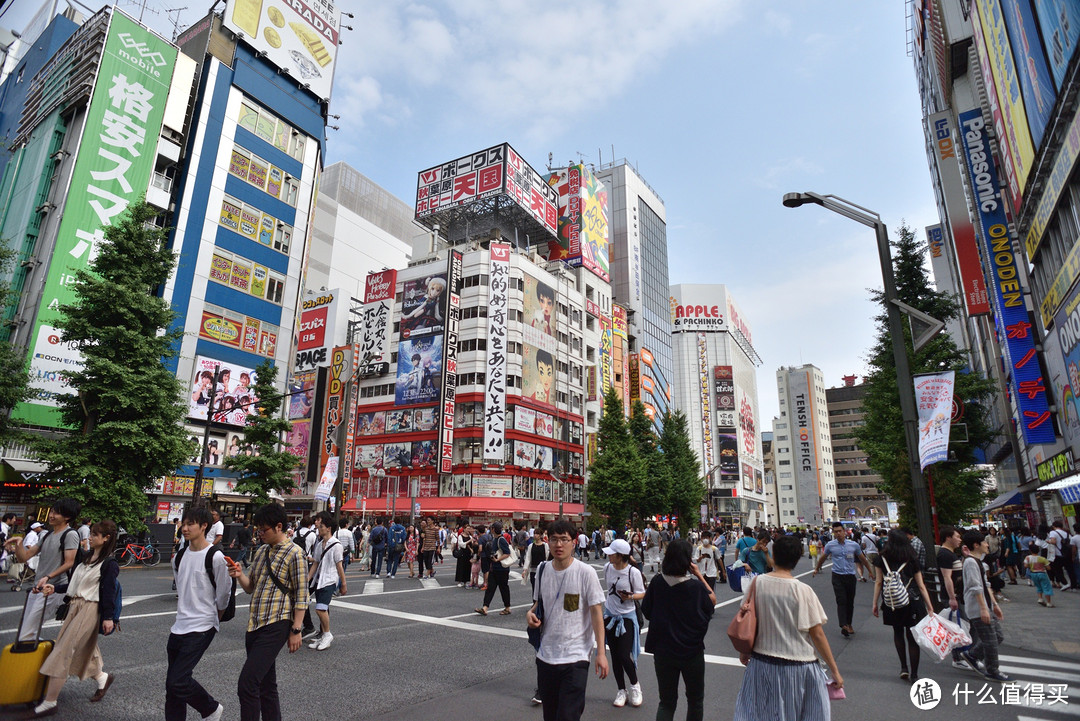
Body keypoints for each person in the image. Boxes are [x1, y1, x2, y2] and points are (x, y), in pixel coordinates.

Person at [733, 535, 842, 721]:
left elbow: (749, 619)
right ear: (797, 558)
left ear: (773, 554)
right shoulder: (802, 590)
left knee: (759, 714)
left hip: (761, 663)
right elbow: (817, 634)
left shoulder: (757, 583)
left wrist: (745, 651)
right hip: (799, 666)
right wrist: (835, 671)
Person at [29, 520, 120, 718]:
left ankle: (50, 701)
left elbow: (109, 592)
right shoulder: (86, 558)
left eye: (96, 534)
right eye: (92, 533)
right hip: (75, 607)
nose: (90, 537)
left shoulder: (109, 564)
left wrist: (108, 618)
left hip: (90, 609)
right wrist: (56, 588)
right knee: (83, 647)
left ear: (106, 538)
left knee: (63, 650)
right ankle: (102, 677)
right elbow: (74, 584)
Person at [229, 503, 310, 720]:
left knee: (247, 683)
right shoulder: (262, 551)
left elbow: (302, 595)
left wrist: (296, 629)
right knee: (266, 684)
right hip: (254, 624)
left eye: (263, 530)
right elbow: (250, 587)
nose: (260, 534)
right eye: (258, 530)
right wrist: (239, 575)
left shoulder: (295, 553)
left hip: (277, 624)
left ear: (279, 526)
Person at [526, 520, 608, 721]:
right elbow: (538, 604)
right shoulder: (543, 570)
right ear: (548, 541)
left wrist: (601, 652)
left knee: (568, 715)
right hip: (546, 655)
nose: (558, 545)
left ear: (574, 542)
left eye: (564, 539)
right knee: (550, 715)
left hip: (576, 656)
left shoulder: (585, 572)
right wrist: (530, 614)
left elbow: (597, 612)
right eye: (554, 539)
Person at [166, 507, 231, 721]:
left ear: (204, 526)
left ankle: (211, 708)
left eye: (190, 524)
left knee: (178, 680)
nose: (184, 528)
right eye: (183, 524)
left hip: (202, 626)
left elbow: (223, 594)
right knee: (172, 685)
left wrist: (213, 619)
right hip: (179, 625)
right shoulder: (179, 556)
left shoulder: (215, 557)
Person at [642, 538, 716, 721]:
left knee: (666, 702)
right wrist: (699, 575)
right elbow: (712, 601)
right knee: (695, 699)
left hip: (663, 651)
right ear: (687, 560)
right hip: (692, 651)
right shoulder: (696, 587)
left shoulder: (657, 583)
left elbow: (647, 611)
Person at [4, 499, 81, 641]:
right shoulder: (46, 535)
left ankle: (45, 655)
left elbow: (69, 562)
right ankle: (42, 656)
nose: (51, 515)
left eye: (56, 513)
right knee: (26, 630)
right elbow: (24, 557)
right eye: (52, 511)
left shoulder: (70, 534)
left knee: (27, 632)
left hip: (53, 588)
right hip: (37, 587)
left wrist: (48, 576)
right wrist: (19, 543)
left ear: (67, 517)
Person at [871, 529, 935, 681]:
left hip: (892, 602)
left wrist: (875, 603)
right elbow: (921, 585)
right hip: (912, 600)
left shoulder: (882, 558)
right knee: (912, 638)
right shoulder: (912, 558)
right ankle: (914, 674)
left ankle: (903, 668)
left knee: (898, 633)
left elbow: (879, 582)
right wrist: (930, 607)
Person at [959, 529, 1009, 681]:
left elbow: (985, 585)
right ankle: (992, 670)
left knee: (998, 636)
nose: (987, 544)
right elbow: (975, 587)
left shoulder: (978, 562)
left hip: (985, 606)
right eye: (984, 542)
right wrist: (983, 608)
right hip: (977, 608)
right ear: (976, 545)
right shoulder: (970, 562)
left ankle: (972, 655)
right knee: (991, 640)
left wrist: (994, 605)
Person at [602, 539, 646, 708]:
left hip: (627, 617)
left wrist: (630, 597)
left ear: (620, 556)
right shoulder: (607, 568)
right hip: (610, 616)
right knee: (614, 655)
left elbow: (642, 593)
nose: (608, 556)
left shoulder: (632, 572)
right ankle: (621, 690)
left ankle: (635, 686)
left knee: (623, 654)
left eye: (611, 553)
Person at [813, 522, 874, 637]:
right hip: (837, 576)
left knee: (850, 601)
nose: (838, 533)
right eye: (836, 532)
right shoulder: (831, 545)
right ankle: (843, 625)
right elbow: (823, 558)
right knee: (841, 600)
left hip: (850, 576)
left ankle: (849, 624)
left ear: (844, 532)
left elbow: (863, 559)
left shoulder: (853, 545)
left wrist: (870, 571)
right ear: (833, 533)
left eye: (840, 531)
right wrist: (816, 568)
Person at [306, 511, 346, 650]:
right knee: (322, 608)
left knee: (320, 609)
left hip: (329, 581)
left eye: (321, 526)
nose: (319, 528)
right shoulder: (319, 545)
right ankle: (323, 635)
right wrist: (308, 580)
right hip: (319, 581)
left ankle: (327, 634)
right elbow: (315, 563)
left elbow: (339, 566)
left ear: (328, 528)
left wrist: (343, 584)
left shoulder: (336, 545)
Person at [935, 525, 969, 669]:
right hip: (952, 596)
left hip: (957, 595)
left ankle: (962, 655)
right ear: (948, 538)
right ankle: (958, 657)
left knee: (960, 625)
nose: (959, 539)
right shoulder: (945, 554)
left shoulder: (951, 554)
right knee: (957, 626)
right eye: (957, 536)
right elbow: (947, 578)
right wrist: (952, 598)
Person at [476, 521, 512, 616]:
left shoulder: (501, 540)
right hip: (495, 568)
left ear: (493, 529)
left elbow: (507, 553)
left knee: (503, 588)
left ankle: (507, 608)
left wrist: (497, 560)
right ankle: (485, 608)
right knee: (490, 588)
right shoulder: (495, 539)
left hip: (502, 569)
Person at [1024, 543, 1054, 608]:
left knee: (1038, 586)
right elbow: (1048, 568)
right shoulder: (1042, 559)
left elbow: (1025, 566)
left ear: (1030, 551)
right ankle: (1049, 602)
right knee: (1046, 587)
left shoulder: (1028, 557)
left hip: (1033, 574)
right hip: (1042, 573)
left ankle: (1040, 598)